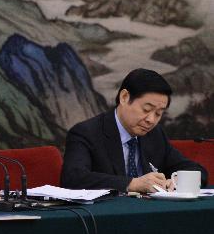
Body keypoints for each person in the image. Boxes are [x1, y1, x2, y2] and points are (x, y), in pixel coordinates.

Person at [61, 68, 207, 192]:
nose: (151, 120)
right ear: (124, 97)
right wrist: (133, 184)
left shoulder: (155, 134)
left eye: (158, 113)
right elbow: (73, 178)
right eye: (146, 109)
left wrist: (179, 180)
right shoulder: (86, 133)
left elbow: (197, 170)